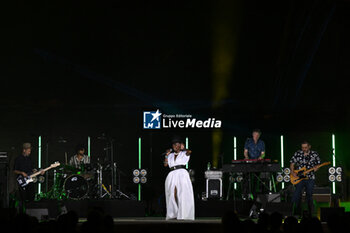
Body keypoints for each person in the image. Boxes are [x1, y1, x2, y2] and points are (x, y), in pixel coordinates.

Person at [163, 138, 194, 220]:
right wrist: (166, 155)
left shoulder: (184, 153)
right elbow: (165, 165)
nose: (175, 146)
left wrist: (184, 148)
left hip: (181, 173)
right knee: (172, 194)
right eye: (174, 145)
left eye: (177, 145)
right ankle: (173, 213)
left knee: (181, 193)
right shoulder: (170, 155)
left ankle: (183, 214)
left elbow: (189, 152)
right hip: (172, 174)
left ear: (181, 146)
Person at [290, 141, 321, 217]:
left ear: (309, 147)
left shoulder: (314, 154)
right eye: (302, 147)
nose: (303, 149)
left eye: (305, 147)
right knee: (297, 194)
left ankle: (309, 213)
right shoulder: (298, 153)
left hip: (310, 177)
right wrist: (292, 172)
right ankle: (295, 212)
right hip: (299, 177)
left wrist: (317, 168)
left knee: (309, 194)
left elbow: (318, 164)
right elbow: (292, 163)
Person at [13, 143, 45, 212]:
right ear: (24, 150)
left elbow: (32, 169)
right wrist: (22, 172)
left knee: (31, 198)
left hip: (30, 180)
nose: (29, 152)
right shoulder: (18, 159)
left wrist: (38, 171)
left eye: (30, 150)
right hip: (22, 181)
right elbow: (15, 171)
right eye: (28, 150)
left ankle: (30, 213)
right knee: (23, 199)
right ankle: (22, 213)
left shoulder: (30, 159)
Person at [242, 129, 267, 199]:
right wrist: (247, 157)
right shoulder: (248, 141)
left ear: (259, 136)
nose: (256, 136)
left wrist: (260, 157)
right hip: (249, 162)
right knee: (247, 178)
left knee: (256, 179)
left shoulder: (262, 143)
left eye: (257, 135)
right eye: (255, 135)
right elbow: (245, 152)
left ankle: (255, 195)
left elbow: (263, 154)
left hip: (257, 163)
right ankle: (245, 194)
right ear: (253, 135)